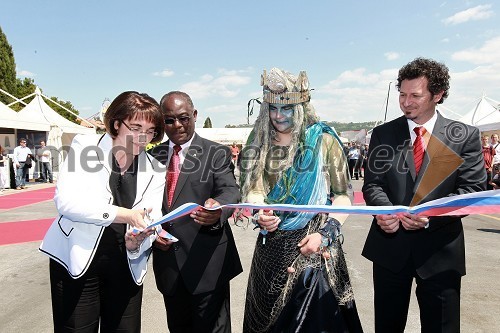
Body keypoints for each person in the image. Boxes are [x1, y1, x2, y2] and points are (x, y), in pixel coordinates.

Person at [362, 57, 486, 332]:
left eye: (415, 95)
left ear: (438, 95)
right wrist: (386, 212)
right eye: (402, 95)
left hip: (441, 254)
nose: (406, 102)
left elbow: (472, 190)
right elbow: (373, 184)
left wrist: (429, 217)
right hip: (390, 251)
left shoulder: (463, 136)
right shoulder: (384, 134)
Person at [240, 68, 363, 333]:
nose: (279, 116)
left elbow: (343, 195)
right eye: (272, 108)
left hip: (315, 244)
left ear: (302, 107)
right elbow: (254, 188)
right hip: (271, 247)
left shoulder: (325, 141)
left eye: (287, 109)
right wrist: (261, 212)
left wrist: (326, 233)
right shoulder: (258, 141)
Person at [39, 91, 166, 332]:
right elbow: (67, 202)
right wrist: (125, 214)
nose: (143, 137)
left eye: (150, 131)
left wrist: (138, 240)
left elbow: (152, 215)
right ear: (116, 123)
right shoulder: (85, 147)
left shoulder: (155, 168)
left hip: (126, 263)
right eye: (136, 127)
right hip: (77, 261)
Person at [149, 91, 242, 333]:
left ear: (195, 115)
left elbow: (230, 191)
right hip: (169, 266)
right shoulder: (151, 157)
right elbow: (144, 206)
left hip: (208, 264)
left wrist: (217, 210)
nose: (177, 125)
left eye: (183, 118)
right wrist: (152, 233)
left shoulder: (216, 153)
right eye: (169, 120)